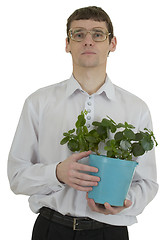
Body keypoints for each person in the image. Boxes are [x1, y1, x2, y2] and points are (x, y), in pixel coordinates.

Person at [8, 6, 158, 240]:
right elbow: (16, 177)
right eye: (78, 34)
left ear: (113, 44)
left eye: (98, 34)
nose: (88, 41)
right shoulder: (38, 102)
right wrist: (56, 173)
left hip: (110, 230)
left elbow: (147, 182)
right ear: (67, 44)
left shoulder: (136, 108)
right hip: (51, 229)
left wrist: (126, 203)